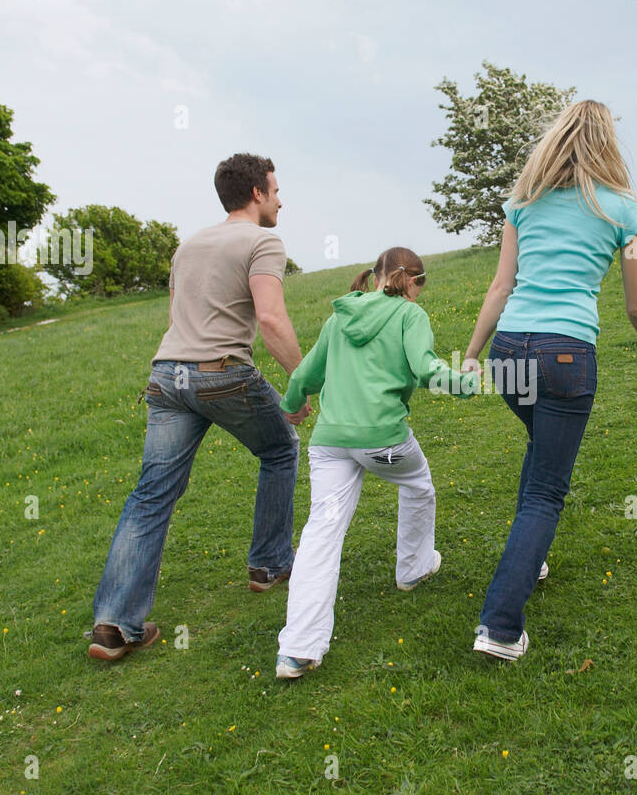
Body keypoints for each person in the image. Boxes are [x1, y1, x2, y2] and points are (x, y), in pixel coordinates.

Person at [461, 100, 637, 661]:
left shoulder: (523, 205)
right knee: (546, 491)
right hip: (565, 356)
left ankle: (529, 558)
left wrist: (473, 353)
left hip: (510, 351)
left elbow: (500, 288)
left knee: (540, 454)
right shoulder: (624, 211)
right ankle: (501, 628)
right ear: (607, 143)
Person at [88, 153, 311, 661]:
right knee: (279, 450)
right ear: (257, 193)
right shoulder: (263, 241)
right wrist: (300, 383)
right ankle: (270, 564)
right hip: (222, 373)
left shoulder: (187, 245)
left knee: (151, 495)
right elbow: (272, 320)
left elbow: (178, 317)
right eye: (276, 190)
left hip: (168, 375)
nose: (281, 199)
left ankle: (114, 626)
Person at [274, 247, 478, 678]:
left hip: (330, 441)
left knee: (322, 530)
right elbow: (425, 370)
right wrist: (465, 384)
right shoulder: (410, 315)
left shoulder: (340, 316)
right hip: (383, 441)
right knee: (419, 485)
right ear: (414, 284)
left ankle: (297, 649)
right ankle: (413, 568)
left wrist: (292, 405)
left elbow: (304, 377)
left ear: (377, 274)